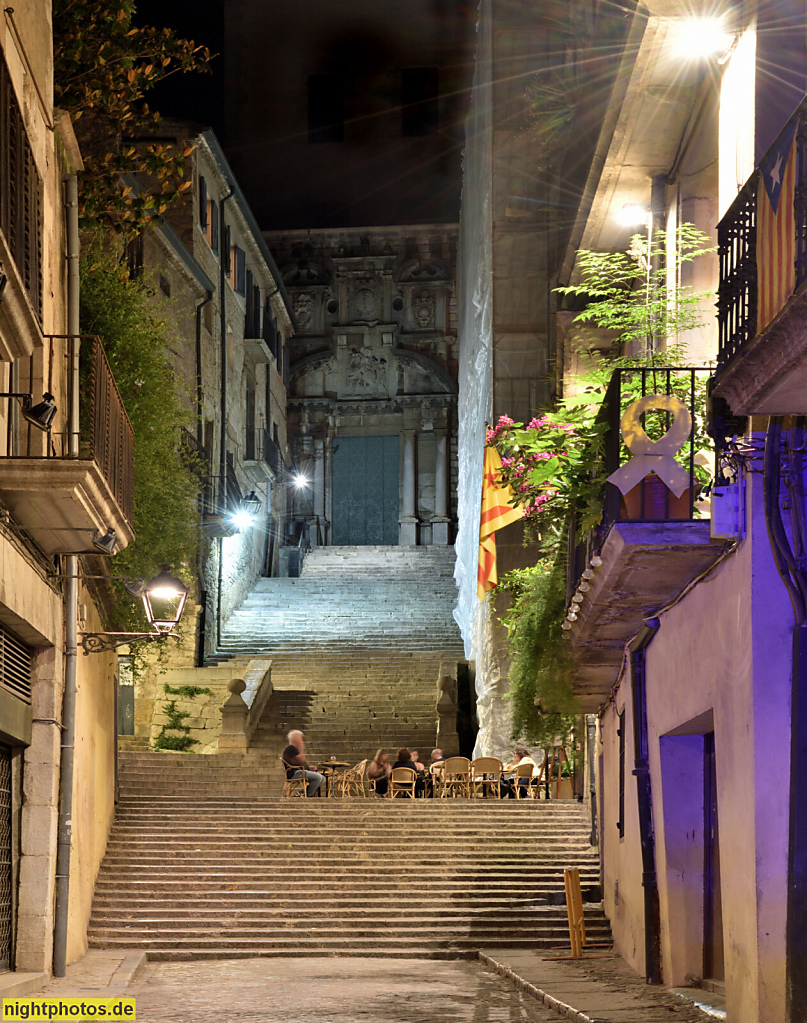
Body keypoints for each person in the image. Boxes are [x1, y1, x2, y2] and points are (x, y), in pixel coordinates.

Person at [282, 729, 325, 797]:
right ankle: (308, 795)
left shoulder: (294, 749)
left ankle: (303, 792)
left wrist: (309, 767)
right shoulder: (290, 748)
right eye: (301, 739)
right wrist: (302, 748)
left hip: (300, 771)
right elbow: (301, 759)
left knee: (322, 778)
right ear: (297, 739)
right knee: (318, 777)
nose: (302, 741)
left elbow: (299, 762)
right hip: (294, 773)